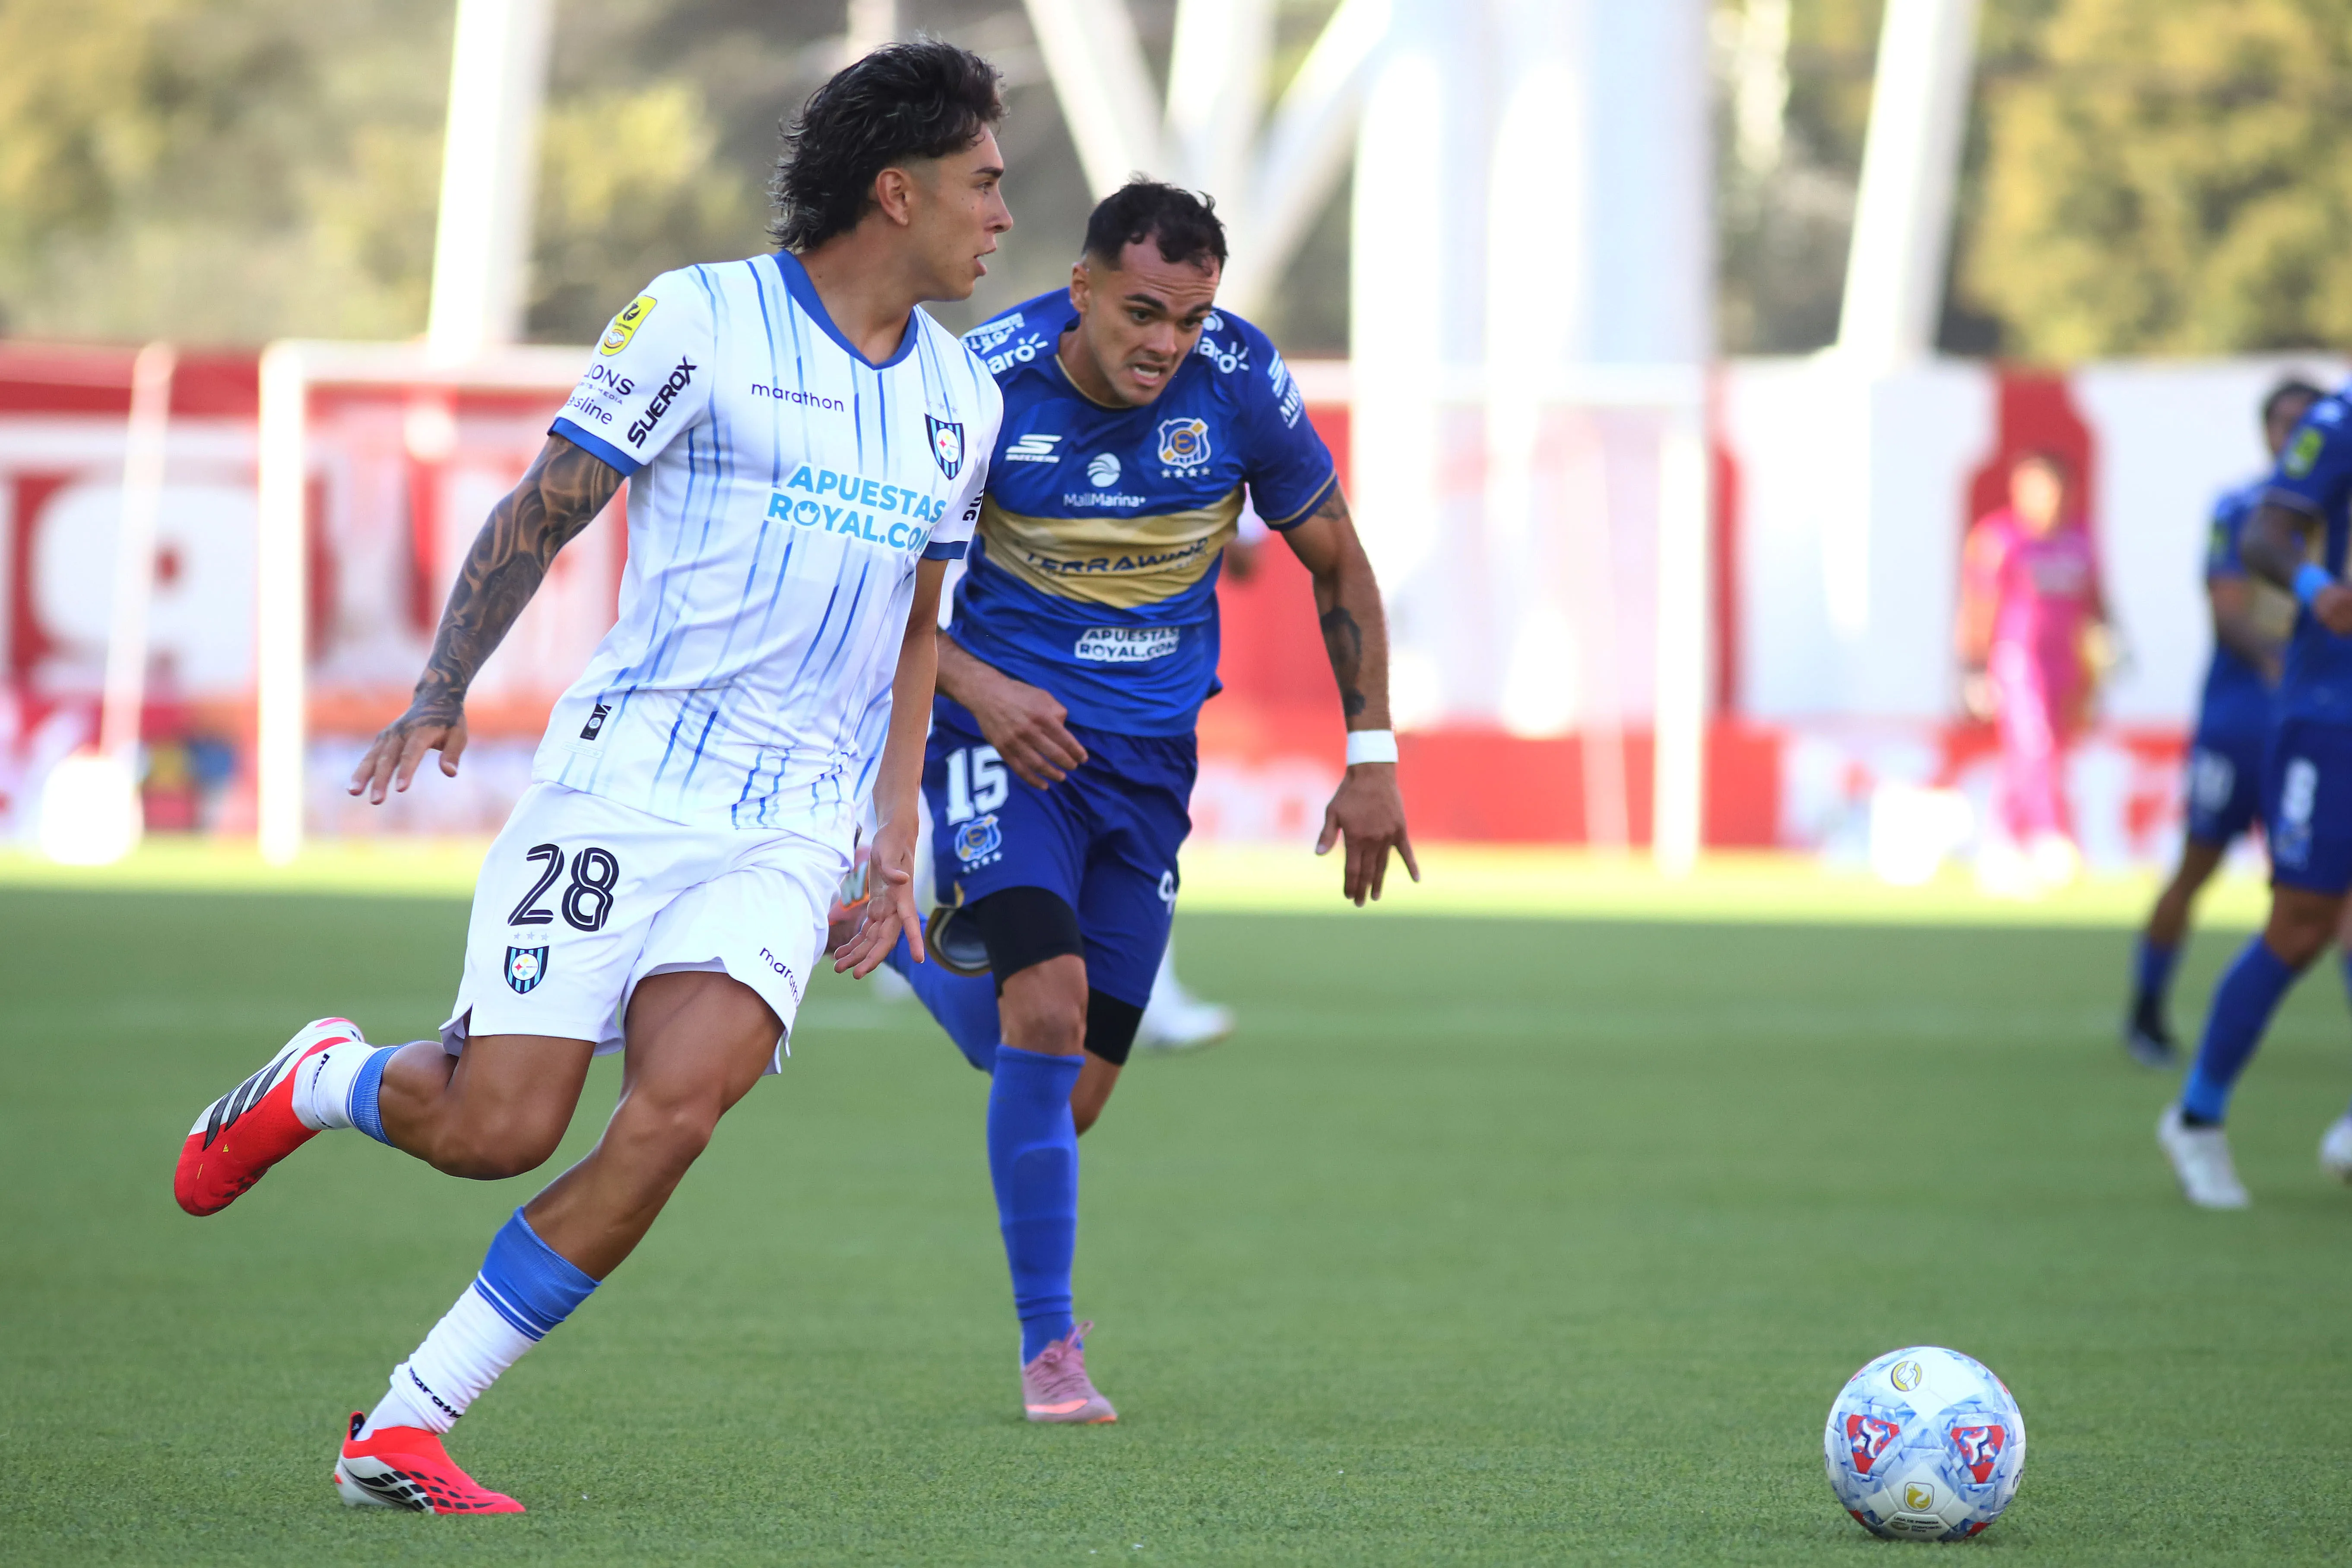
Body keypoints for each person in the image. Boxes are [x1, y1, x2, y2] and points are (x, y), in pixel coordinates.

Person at [168, 42, 1010, 1509]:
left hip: (790, 823)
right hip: (631, 788)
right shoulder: (702, 316)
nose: (1002, 215)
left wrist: (888, 826)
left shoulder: (962, 401)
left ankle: (404, 1424)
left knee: (683, 1107)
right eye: (984, 183)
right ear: (898, 190)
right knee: (499, 1126)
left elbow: (919, 628)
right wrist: (440, 690)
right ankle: (327, 1078)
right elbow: (550, 505)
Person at [876, 181, 1414, 1422]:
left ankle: (893, 939)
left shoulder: (1237, 378)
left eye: (1187, 314)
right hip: (999, 744)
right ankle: (1048, 1349)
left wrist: (1373, 753)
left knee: (1061, 1087)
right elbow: (876, 586)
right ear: (1079, 291)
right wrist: (982, 685)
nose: (1163, 342)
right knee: (1049, 1004)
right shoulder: (978, 383)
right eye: (1139, 311)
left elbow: (1336, 557)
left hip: (1148, 762)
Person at [2160, 377, 2352, 1207]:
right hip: (2329, 713)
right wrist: (2318, 592)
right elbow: (2267, 536)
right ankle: (2197, 1116)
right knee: (2303, 924)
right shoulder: (2337, 422)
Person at [2123, 380, 2322, 1066]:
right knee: (2197, 865)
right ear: (2263, 431)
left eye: (2306, 420)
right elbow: (2228, 608)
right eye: (2282, 421)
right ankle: (2145, 1008)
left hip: (2317, 730)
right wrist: (2280, 660)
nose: (2294, 433)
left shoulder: (2340, 513)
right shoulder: (2242, 510)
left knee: (2330, 892)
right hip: (2239, 724)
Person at [1956, 450, 2113, 893]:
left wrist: (2110, 642)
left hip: (2065, 660)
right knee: (2034, 744)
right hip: (2017, 658)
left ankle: (1999, 842)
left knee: (2044, 752)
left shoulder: (2080, 539)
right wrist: (1972, 668)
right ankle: (2050, 839)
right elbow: (1977, 607)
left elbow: (2097, 597)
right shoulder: (1999, 538)